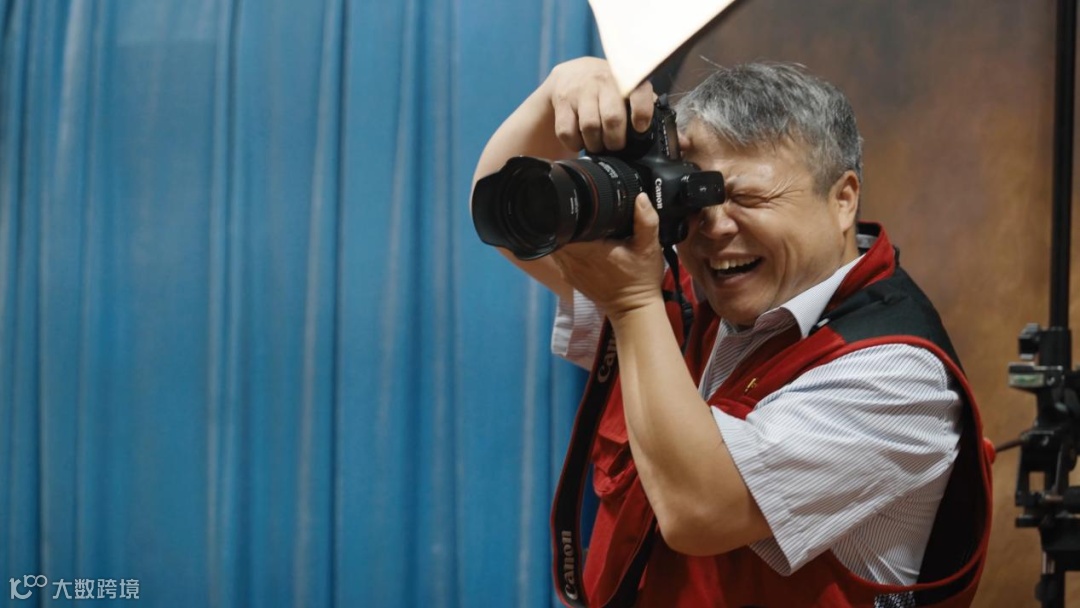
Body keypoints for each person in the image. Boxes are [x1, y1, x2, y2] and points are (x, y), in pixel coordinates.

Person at [471, 57, 991, 607]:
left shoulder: (898, 376)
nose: (715, 228)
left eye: (748, 198)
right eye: (696, 198)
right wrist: (560, 88)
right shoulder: (685, 304)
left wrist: (631, 303)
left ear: (843, 199)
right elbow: (507, 217)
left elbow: (699, 510)